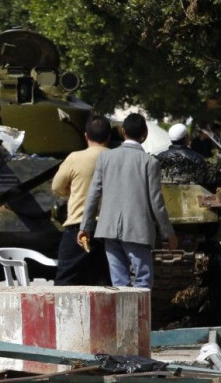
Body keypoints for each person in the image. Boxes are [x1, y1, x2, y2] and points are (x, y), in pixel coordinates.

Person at [78, 113, 178, 289]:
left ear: (122, 131)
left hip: (108, 229)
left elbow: (93, 194)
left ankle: (123, 317)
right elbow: (156, 201)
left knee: (119, 283)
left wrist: (85, 227)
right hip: (137, 230)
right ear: (145, 134)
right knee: (143, 281)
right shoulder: (150, 162)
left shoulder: (105, 158)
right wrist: (168, 233)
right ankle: (140, 317)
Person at [51, 115, 112, 286]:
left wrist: (71, 192)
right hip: (110, 230)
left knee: (65, 282)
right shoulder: (117, 157)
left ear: (86, 136)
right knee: (104, 282)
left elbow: (56, 187)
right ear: (108, 136)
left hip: (79, 228)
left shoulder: (75, 158)